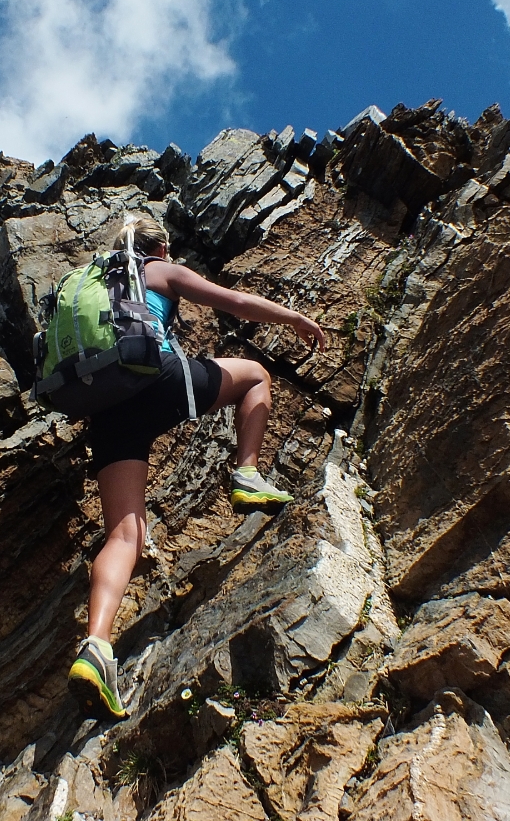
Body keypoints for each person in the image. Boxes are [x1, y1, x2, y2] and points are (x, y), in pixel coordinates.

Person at [66, 213, 326, 720]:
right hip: (156, 379)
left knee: (123, 536)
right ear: (159, 246)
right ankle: (247, 475)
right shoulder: (158, 270)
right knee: (254, 377)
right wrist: (292, 318)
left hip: (107, 409)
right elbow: (236, 302)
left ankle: (96, 646)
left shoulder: (93, 281)